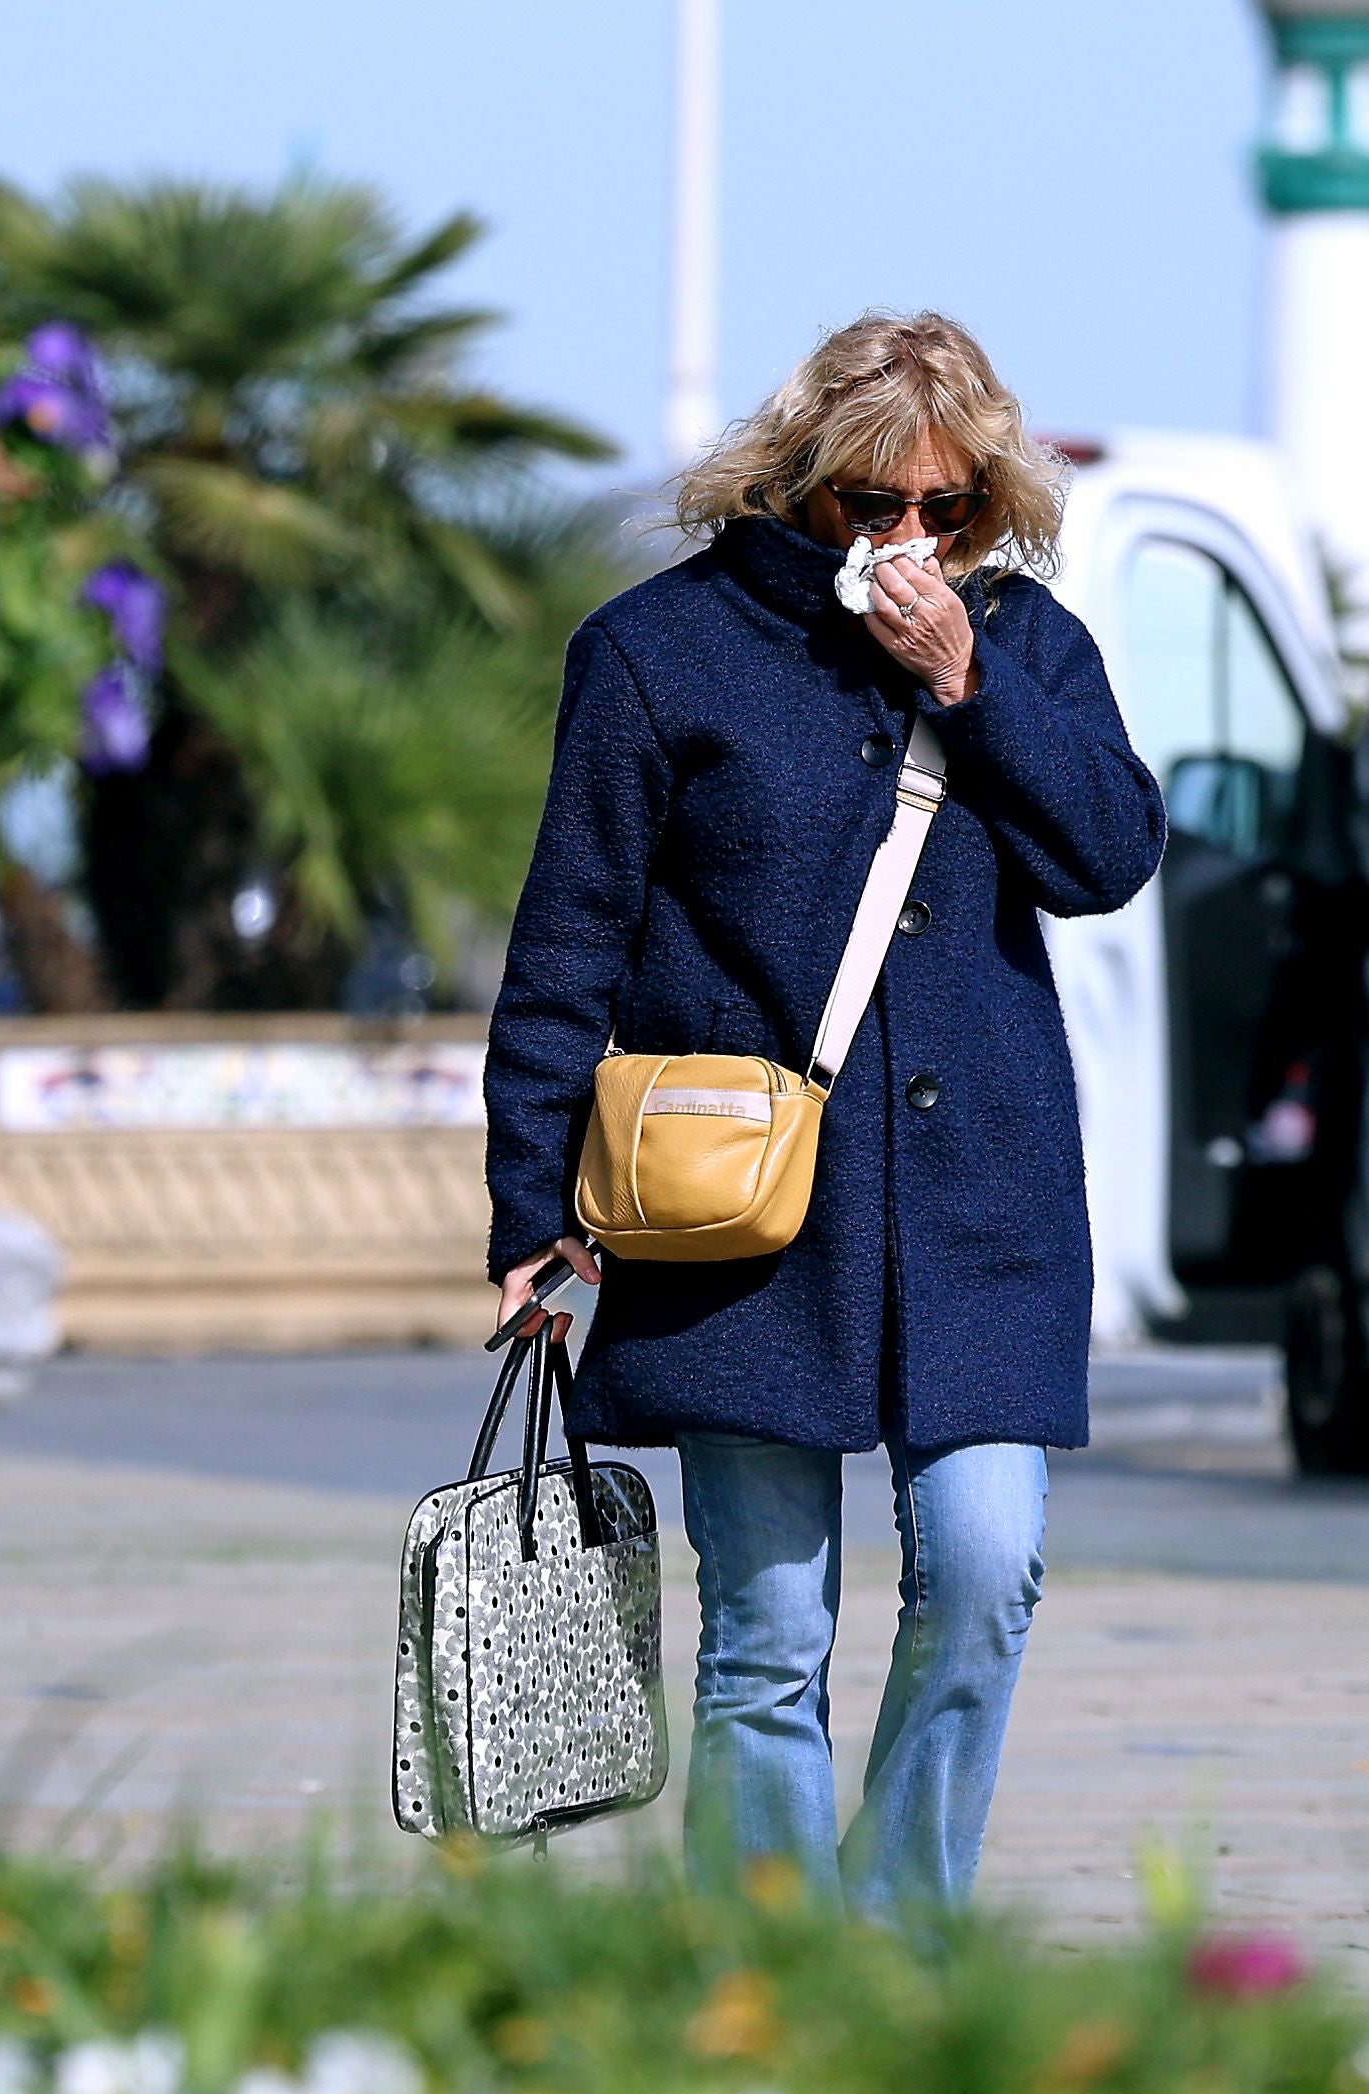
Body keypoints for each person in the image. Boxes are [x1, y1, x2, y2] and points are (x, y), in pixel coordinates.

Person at [482, 310, 1166, 1917]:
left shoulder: (1030, 647)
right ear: (798, 485)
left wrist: (970, 681)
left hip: (979, 1205)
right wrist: (532, 1218)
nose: (910, 539)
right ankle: (776, 1983)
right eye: (874, 505)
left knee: (986, 1573)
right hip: (740, 1216)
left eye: (950, 508)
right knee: (769, 1633)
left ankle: (903, 1939)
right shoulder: (659, 653)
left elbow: (1108, 858)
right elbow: (566, 947)